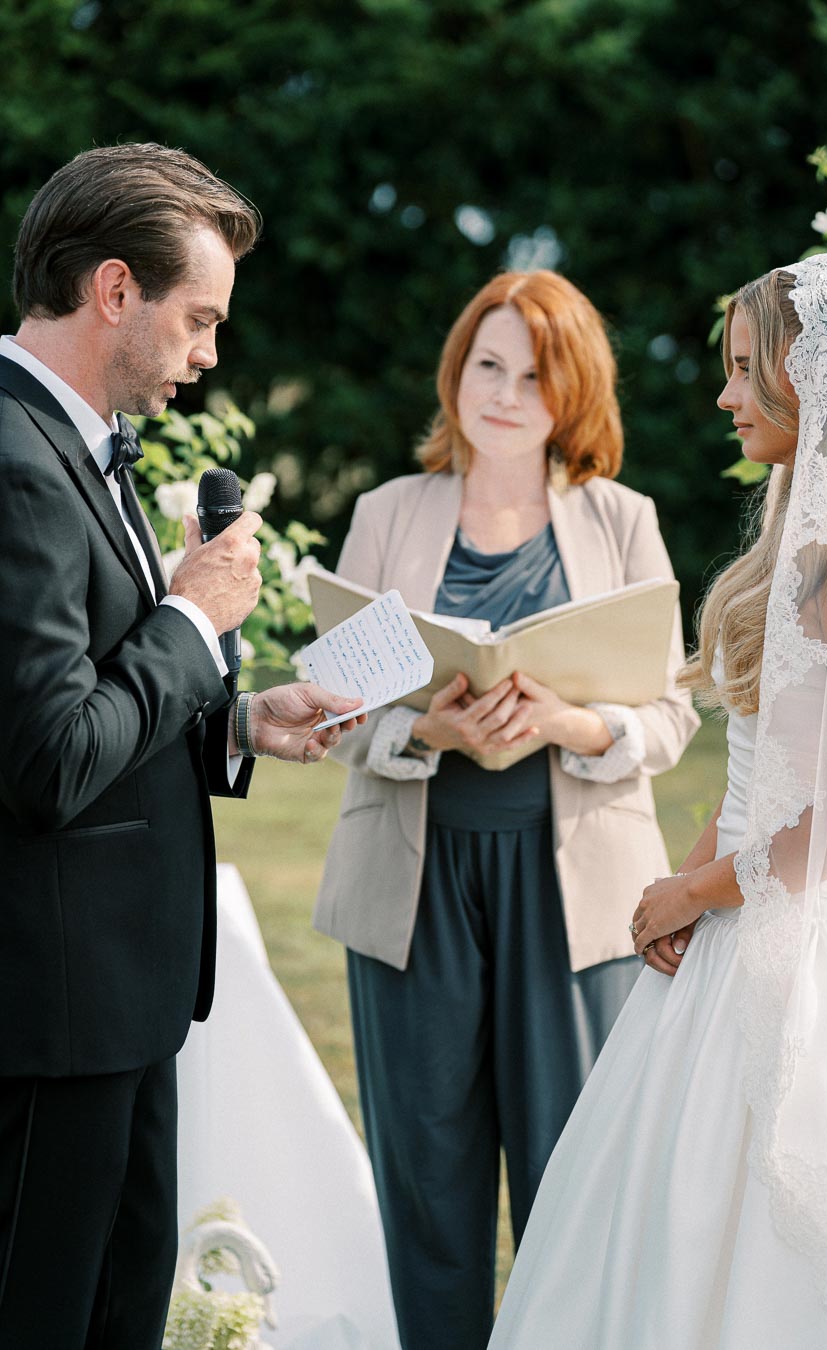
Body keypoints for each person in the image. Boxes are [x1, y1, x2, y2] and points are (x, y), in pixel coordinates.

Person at [487, 252, 827, 1350]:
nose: (724, 396)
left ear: (817, 380)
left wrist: (695, 893)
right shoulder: (791, 551)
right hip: (729, 924)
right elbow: (766, 764)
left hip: (809, 949)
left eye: (744, 370)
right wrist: (691, 875)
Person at [0, 143, 364, 1350]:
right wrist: (193, 619)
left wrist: (241, 717)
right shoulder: (13, 465)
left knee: (119, 1306)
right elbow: (47, 757)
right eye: (199, 318)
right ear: (115, 291)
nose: (211, 354)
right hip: (51, 1009)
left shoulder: (79, 446)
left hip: (122, 997)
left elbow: (97, 697)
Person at [313, 269, 699, 1350]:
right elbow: (332, 717)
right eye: (488, 365)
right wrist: (429, 732)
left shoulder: (622, 522)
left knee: (568, 1176)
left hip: (574, 893)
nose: (504, 393)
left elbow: (671, 717)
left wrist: (575, 726)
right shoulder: (388, 516)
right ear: (457, 371)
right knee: (427, 1180)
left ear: (571, 393)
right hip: (414, 885)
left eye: (534, 375)